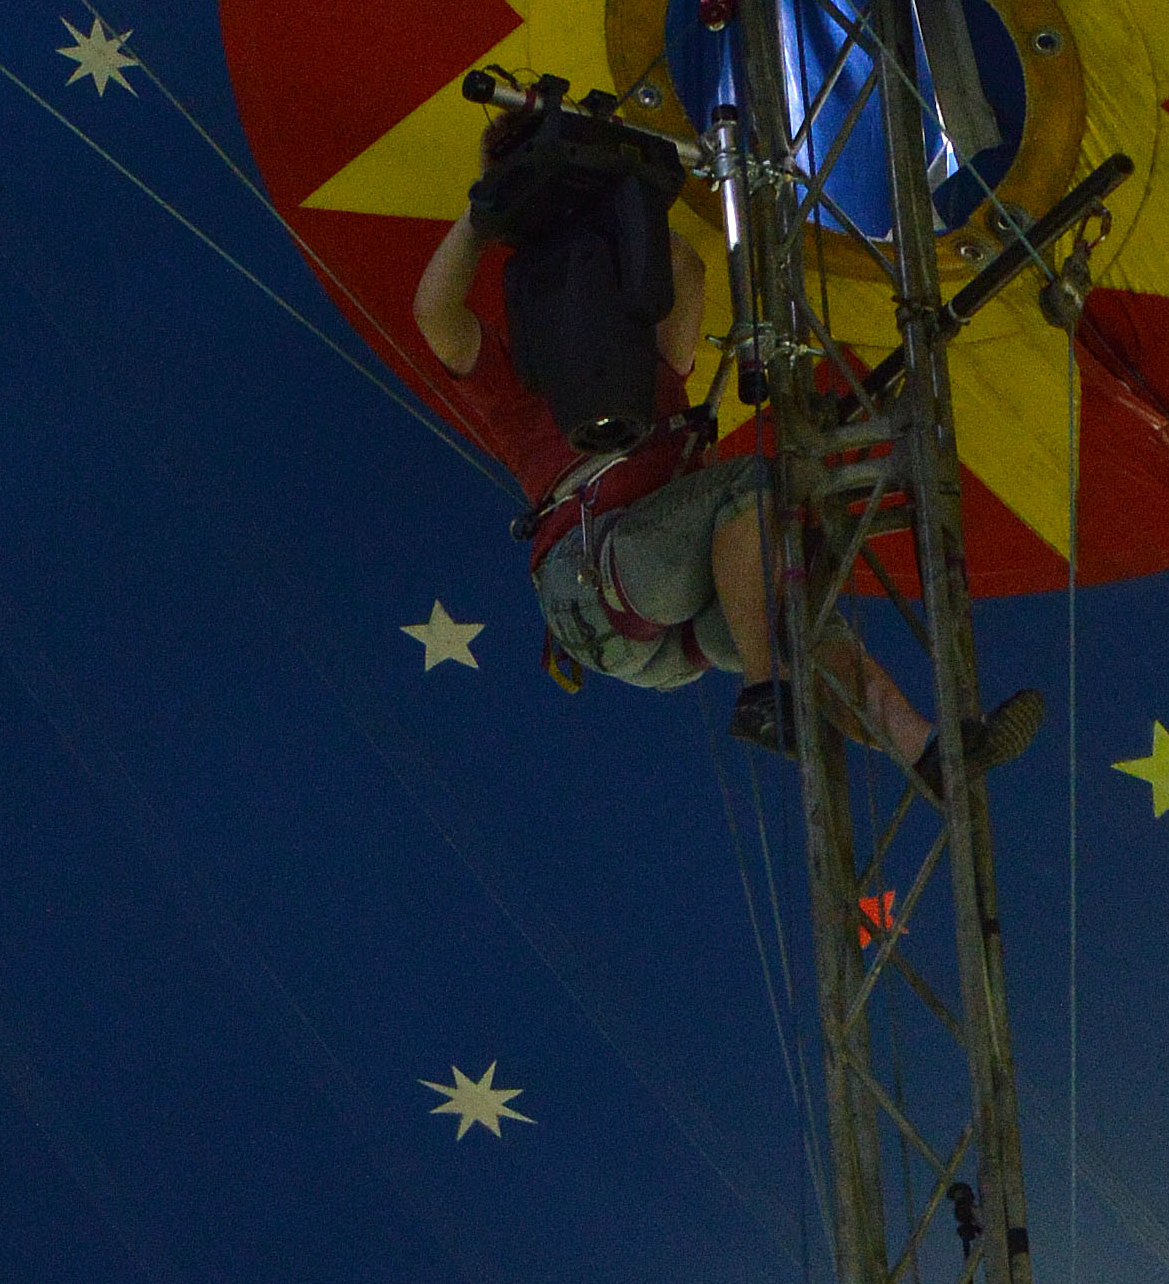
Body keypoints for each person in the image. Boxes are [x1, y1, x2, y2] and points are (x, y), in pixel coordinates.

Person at [411, 86, 1041, 796]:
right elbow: (434, 312)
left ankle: (928, 753)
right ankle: (767, 694)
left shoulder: (644, 368)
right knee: (750, 487)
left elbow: (684, 271)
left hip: (663, 622)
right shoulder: (519, 381)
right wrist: (482, 212)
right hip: (594, 577)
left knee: (809, 619)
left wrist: (619, 192)